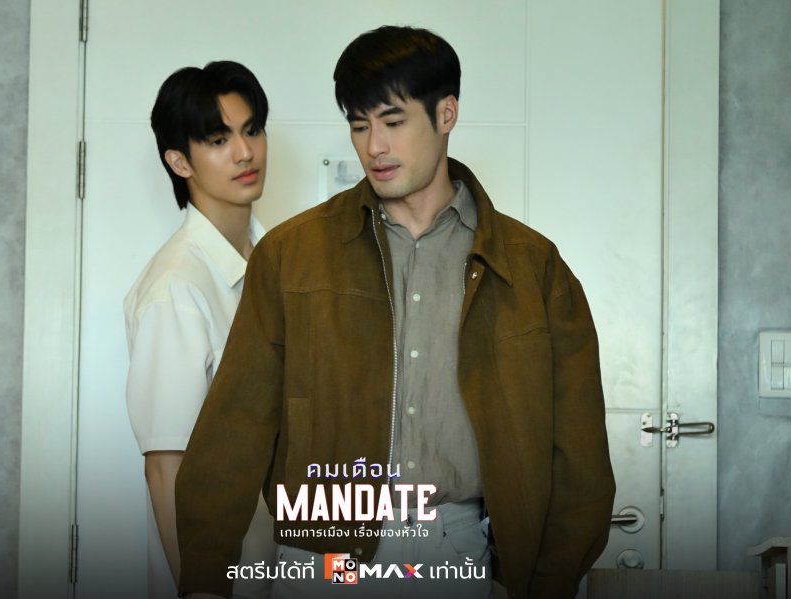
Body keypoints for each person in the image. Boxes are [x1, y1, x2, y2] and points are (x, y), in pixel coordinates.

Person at [176, 26, 615, 599]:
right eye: (359, 125)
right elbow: (233, 431)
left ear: (446, 114)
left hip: (457, 553)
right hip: (323, 557)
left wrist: (545, 584)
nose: (374, 146)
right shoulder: (290, 256)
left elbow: (579, 459)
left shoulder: (533, 268)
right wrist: (204, 581)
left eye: (393, 121)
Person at [123, 60, 275, 599]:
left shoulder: (277, 263)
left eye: (252, 130)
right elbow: (167, 471)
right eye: (218, 139)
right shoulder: (176, 288)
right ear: (179, 160)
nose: (245, 152)